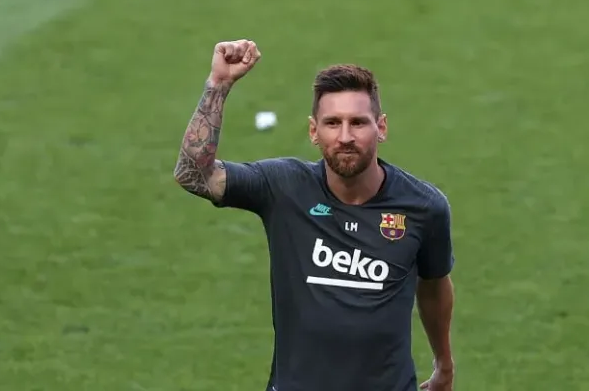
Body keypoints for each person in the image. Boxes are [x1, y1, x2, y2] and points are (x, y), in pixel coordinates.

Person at [173, 39, 456, 391]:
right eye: (332, 123)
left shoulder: (424, 208)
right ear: (313, 131)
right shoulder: (284, 188)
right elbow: (193, 175)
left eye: (358, 123)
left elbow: (434, 286)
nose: (345, 136)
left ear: (381, 127)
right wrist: (218, 84)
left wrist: (444, 363)